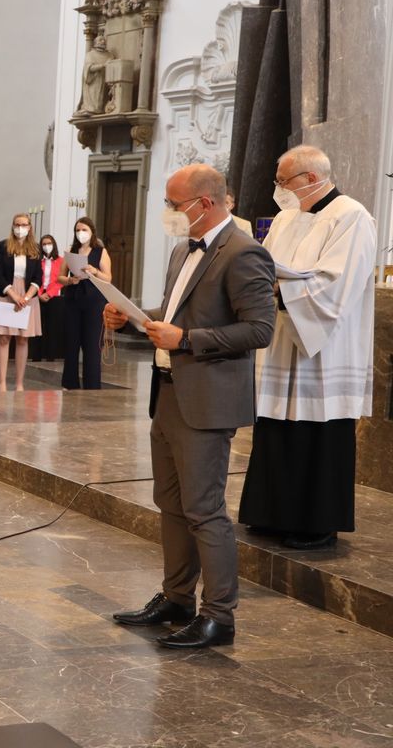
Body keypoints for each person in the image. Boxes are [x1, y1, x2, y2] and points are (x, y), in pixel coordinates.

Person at [105, 164, 275, 649]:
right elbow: (176, 312)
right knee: (171, 502)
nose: (168, 213)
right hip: (170, 391)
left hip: (209, 399)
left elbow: (260, 329)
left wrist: (188, 339)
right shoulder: (184, 248)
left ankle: (219, 616)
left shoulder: (244, 252)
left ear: (205, 203)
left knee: (204, 509)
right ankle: (177, 597)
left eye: (173, 204)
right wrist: (134, 315)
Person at [239, 145, 377, 550]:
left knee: (318, 430)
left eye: (284, 180)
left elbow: (337, 284)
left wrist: (282, 291)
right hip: (283, 338)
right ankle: (271, 514)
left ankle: (317, 522)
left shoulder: (351, 217)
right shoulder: (285, 218)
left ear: (311, 178)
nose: (278, 189)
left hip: (325, 345)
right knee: (277, 425)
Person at [0, 214, 43, 392]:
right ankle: (1, 383)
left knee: (22, 340)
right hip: (6, 294)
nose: (20, 228)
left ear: (30, 227)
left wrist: (25, 297)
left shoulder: (35, 248)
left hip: (27, 296)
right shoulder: (3, 246)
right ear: (12, 226)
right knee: (4, 338)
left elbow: (38, 277)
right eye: (17, 225)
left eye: (24, 225)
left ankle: (19, 383)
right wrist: (13, 295)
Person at [59, 217, 112, 390]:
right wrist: (69, 280)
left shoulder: (100, 251)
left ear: (91, 232)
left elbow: (108, 278)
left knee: (92, 345)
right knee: (71, 343)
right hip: (73, 299)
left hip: (94, 301)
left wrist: (94, 271)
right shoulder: (71, 250)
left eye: (84, 230)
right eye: (78, 230)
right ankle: (70, 383)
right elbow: (60, 277)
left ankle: (92, 385)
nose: (80, 233)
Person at [30, 233, 66, 361]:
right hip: (38, 295)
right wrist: (39, 294)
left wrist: (49, 294)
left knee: (52, 327)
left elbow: (60, 280)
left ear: (54, 245)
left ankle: (51, 356)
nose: (46, 246)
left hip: (54, 296)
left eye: (49, 244)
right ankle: (36, 356)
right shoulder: (36, 260)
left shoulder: (61, 261)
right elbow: (35, 278)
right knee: (38, 326)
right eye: (44, 244)